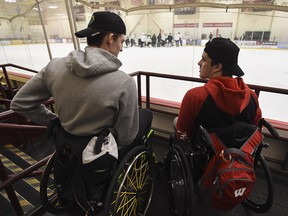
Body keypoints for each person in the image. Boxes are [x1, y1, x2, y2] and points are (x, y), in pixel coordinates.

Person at [10, 12, 153, 212]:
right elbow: (127, 136)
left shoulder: (55, 67)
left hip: (66, 144)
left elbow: (20, 103)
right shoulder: (124, 83)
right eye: (122, 41)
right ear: (110, 38)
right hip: (98, 154)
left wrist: (53, 120)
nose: (121, 48)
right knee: (146, 117)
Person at [176, 37, 262, 143]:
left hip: (205, 157)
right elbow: (255, 128)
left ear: (217, 67)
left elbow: (183, 134)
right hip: (239, 155)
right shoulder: (251, 96)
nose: (199, 63)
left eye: (204, 59)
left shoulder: (195, 96)